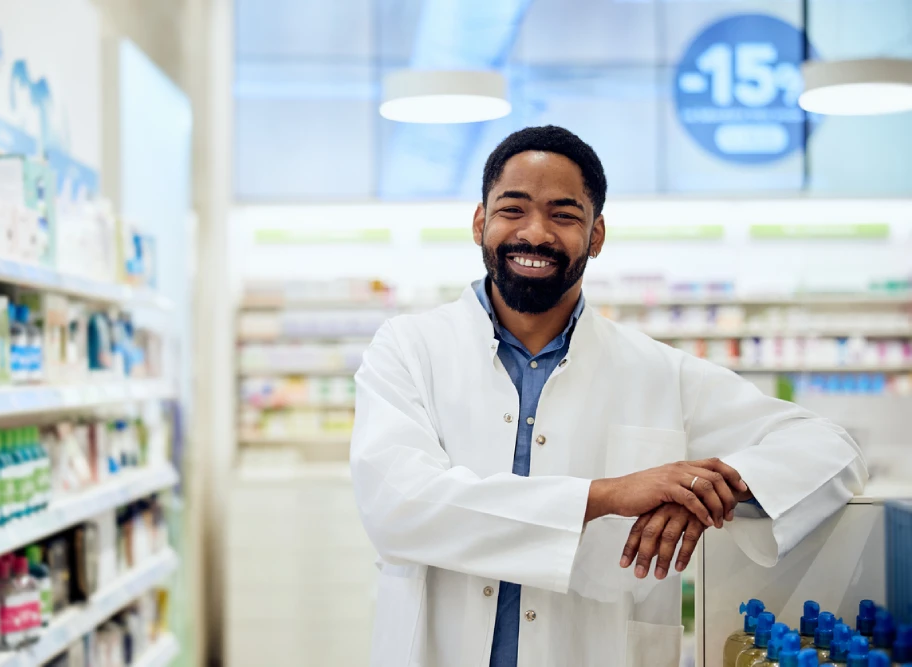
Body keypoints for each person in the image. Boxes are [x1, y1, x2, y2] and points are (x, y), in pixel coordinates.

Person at [349, 125, 867, 667]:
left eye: (563, 215)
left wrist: (709, 488)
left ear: (596, 236)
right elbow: (398, 505)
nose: (535, 233)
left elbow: (833, 450)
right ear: (481, 222)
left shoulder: (657, 371)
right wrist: (608, 495)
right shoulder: (408, 349)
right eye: (513, 209)